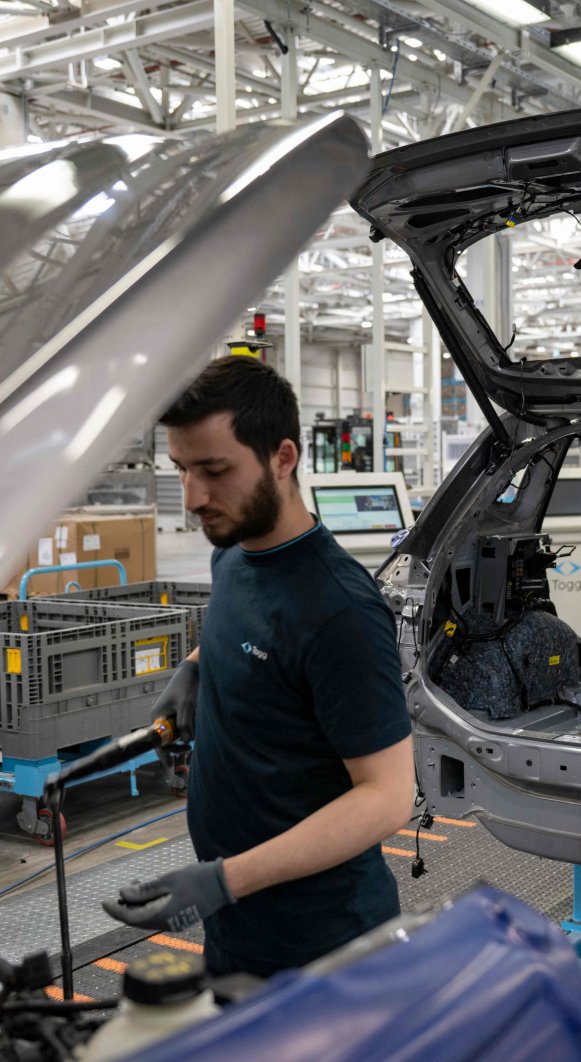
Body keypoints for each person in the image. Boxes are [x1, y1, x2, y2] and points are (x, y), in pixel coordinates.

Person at [102, 356, 416, 976]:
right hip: (240, 925)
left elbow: (387, 797)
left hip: (324, 945)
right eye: (183, 470)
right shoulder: (235, 556)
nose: (194, 497)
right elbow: (260, 629)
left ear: (283, 458)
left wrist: (224, 879)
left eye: (215, 471)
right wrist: (196, 665)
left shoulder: (340, 612)